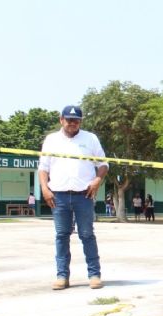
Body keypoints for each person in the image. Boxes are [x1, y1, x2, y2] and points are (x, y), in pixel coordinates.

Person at [39, 105, 108, 290]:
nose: (72, 123)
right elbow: (43, 167)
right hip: (58, 196)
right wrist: (44, 189)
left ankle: (94, 275)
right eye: (69, 120)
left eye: (76, 120)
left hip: (84, 195)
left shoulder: (90, 138)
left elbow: (103, 163)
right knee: (61, 236)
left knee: (87, 235)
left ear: (81, 121)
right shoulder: (51, 140)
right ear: (61, 120)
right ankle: (62, 276)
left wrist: (97, 180)